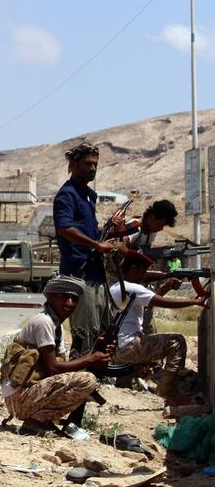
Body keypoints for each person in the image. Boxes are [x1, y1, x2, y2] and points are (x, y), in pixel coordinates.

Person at [0, 275, 111, 436]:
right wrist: (90, 359)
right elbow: (53, 368)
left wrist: (96, 353)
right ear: (50, 297)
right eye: (64, 297)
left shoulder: (55, 326)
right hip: (19, 398)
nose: (70, 303)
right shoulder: (44, 322)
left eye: (74, 299)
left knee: (83, 378)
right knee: (86, 380)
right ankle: (35, 421)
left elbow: (63, 369)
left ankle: (40, 420)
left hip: (25, 395)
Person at [109, 250, 206, 405]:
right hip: (131, 345)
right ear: (133, 268)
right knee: (177, 341)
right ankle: (168, 392)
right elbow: (162, 302)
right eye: (143, 271)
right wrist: (194, 302)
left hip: (120, 347)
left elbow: (151, 299)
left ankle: (124, 385)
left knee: (152, 351)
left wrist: (168, 285)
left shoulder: (118, 287)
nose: (145, 275)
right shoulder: (132, 288)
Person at [53, 142, 117, 358]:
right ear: (73, 164)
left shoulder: (89, 195)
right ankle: (81, 379)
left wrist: (109, 230)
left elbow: (87, 230)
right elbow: (65, 228)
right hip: (78, 273)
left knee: (102, 327)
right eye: (88, 164)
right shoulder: (67, 195)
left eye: (95, 164)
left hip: (94, 271)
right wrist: (96, 245)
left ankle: (96, 376)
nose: (93, 169)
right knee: (85, 331)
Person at [123, 199, 179, 334]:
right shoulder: (135, 227)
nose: (160, 228)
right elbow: (121, 246)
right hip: (119, 279)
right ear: (152, 217)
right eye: (160, 223)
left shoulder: (150, 233)